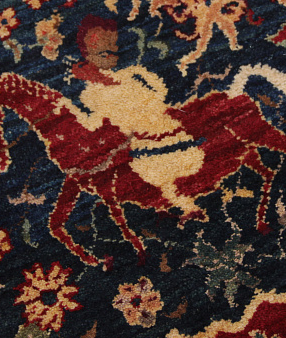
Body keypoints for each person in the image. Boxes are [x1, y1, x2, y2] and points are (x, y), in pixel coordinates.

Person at [71, 15, 206, 219]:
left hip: (160, 125)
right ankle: (186, 204)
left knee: (175, 162)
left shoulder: (127, 76)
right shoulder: (92, 93)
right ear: (89, 51)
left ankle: (187, 201)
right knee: (160, 169)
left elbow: (159, 93)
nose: (114, 49)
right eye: (106, 46)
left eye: (113, 43)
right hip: (147, 136)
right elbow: (100, 122)